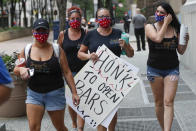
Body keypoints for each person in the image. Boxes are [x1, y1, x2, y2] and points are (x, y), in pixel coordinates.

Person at [13, 18, 80, 131]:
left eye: (43, 31)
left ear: (48, 32)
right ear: (33, 32)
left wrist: (74, 93)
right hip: (34, 94)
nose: (41, 34)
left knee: (59, 127)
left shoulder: (57, 50)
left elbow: (67, 72)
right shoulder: (27, 50)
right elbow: (16, 68)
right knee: (33, 127)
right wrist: (21, 70)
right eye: (38, 31)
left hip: (55, 93)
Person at [78, 8, 134, 131]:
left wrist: (126, 46)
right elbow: (80, 53)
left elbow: (131, 54)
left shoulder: (119, 33)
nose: (104, 19)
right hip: (96, 79)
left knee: (112, 110)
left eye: (107, 16)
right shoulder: (91, 34)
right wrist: (89, 56)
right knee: (100, 111)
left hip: (114, 79)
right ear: (97, 19)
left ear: (111, 18)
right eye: (101, 16)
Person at [145, 2, 189, 131]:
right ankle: (163, 127)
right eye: (157, 12)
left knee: (168, 102)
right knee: (159, 103)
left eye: (161, 13)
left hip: (172, 69)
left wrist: (186, 41)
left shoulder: (176, 29)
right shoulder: (149, 27)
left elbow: (181, 51)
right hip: (154, 70)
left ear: (168, 15)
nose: (158, 14)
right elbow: (158, 39)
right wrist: (165, 23)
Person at [58, 6, 87, 131]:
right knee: (71, 101)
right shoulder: (63, 34)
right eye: (72, 18)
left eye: (78, 18)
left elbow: (91, 49)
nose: (75, 20)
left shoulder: (86, 33)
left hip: (85, 72)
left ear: (81, 20)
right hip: (69, 73)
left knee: (83, 101)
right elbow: (58, 51)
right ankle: (74, 123)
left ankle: (80, 128)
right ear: (68, 20)